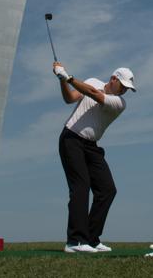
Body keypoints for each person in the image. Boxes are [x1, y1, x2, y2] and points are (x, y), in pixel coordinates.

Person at [52, 61, 136, 253]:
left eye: (127, 89)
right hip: (71, 139)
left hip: (91, 146)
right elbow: (70, 98)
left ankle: (91, 238)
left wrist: (68, 77)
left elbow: (95, 94)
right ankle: (75, 241)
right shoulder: (92, 81)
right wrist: (62, 80)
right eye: (122, 86)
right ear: (113, 78)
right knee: (80, 187)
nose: (124, 91)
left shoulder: (119, 103)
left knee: (107, 189)